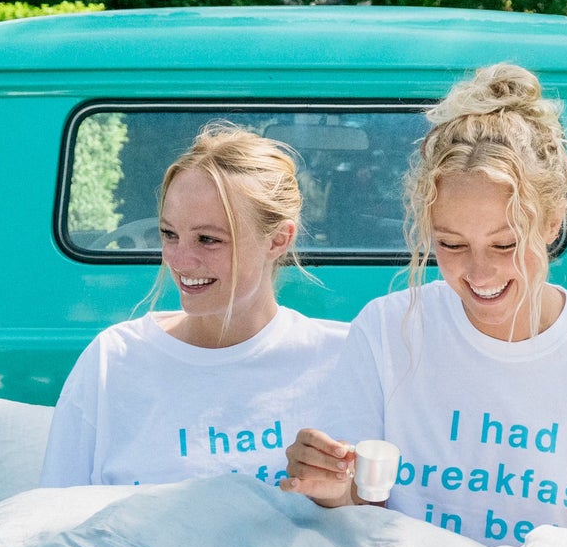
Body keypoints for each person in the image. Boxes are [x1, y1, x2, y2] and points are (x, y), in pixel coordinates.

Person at [282, 64, 567, 544]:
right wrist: (328, 484)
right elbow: (356, 499)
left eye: (504, 245)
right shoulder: (386, 329)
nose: (478, 274)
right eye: (452, 245)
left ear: (552, 222)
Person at [40, 126, 346, 488]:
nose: (180, 261)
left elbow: (381, 517)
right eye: (169, 234)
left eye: (208, 239)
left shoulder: (340, 358)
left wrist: (340, 497)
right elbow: (56, 517)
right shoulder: (115, 360)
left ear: (278, 239)